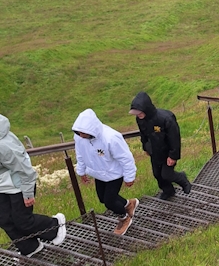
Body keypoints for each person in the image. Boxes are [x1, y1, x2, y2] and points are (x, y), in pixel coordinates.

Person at [0, 114, 66, 257]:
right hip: (3, 187)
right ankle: (29, 247)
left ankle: (55, 225)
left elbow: (25, 170)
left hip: (18, 186)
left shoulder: (4, 146)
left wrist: (28, 193)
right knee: (4, 219)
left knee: (23, 221)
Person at [72, 109, 138, 237]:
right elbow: (80, 154)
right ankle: (129, 204)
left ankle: (124, 218)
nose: (80, 135)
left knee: (109, 201)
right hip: (98, 173)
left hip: (114, 173)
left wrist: (129, 176)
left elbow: (125, 157)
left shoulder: (111, 137)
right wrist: (81, 171)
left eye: (83, 132)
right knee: (102, 198)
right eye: (78, 132)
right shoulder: (80, 138)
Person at [129, 92, 191, 200]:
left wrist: (173, 156)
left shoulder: (165, 119)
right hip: (154, 152)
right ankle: (168, 191)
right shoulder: (140, 120)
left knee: (167, 174)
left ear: (146, 109)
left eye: (139, 112)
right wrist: (145, 147)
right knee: (157, 174)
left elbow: (174, 138)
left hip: (167, 152)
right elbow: (143, 134)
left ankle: (183, 179)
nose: (138, 115)